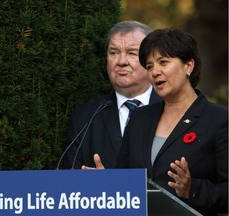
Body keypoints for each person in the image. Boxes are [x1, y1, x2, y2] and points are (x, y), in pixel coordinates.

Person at [82, 28, 228, 215]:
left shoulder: (219, 120)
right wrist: (109, 183)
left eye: (163, 62)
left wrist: (192, 189)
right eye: (149, 66)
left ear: (188, 66)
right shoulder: (139, 117)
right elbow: (127, 178)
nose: (155, 72)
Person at [61, 21, 161, 169]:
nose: (121, 62)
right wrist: (101, 184)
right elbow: (70, 177)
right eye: (113, 53)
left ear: (150, 60)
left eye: (132, 53)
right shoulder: (85, 118)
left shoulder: (171, 109)